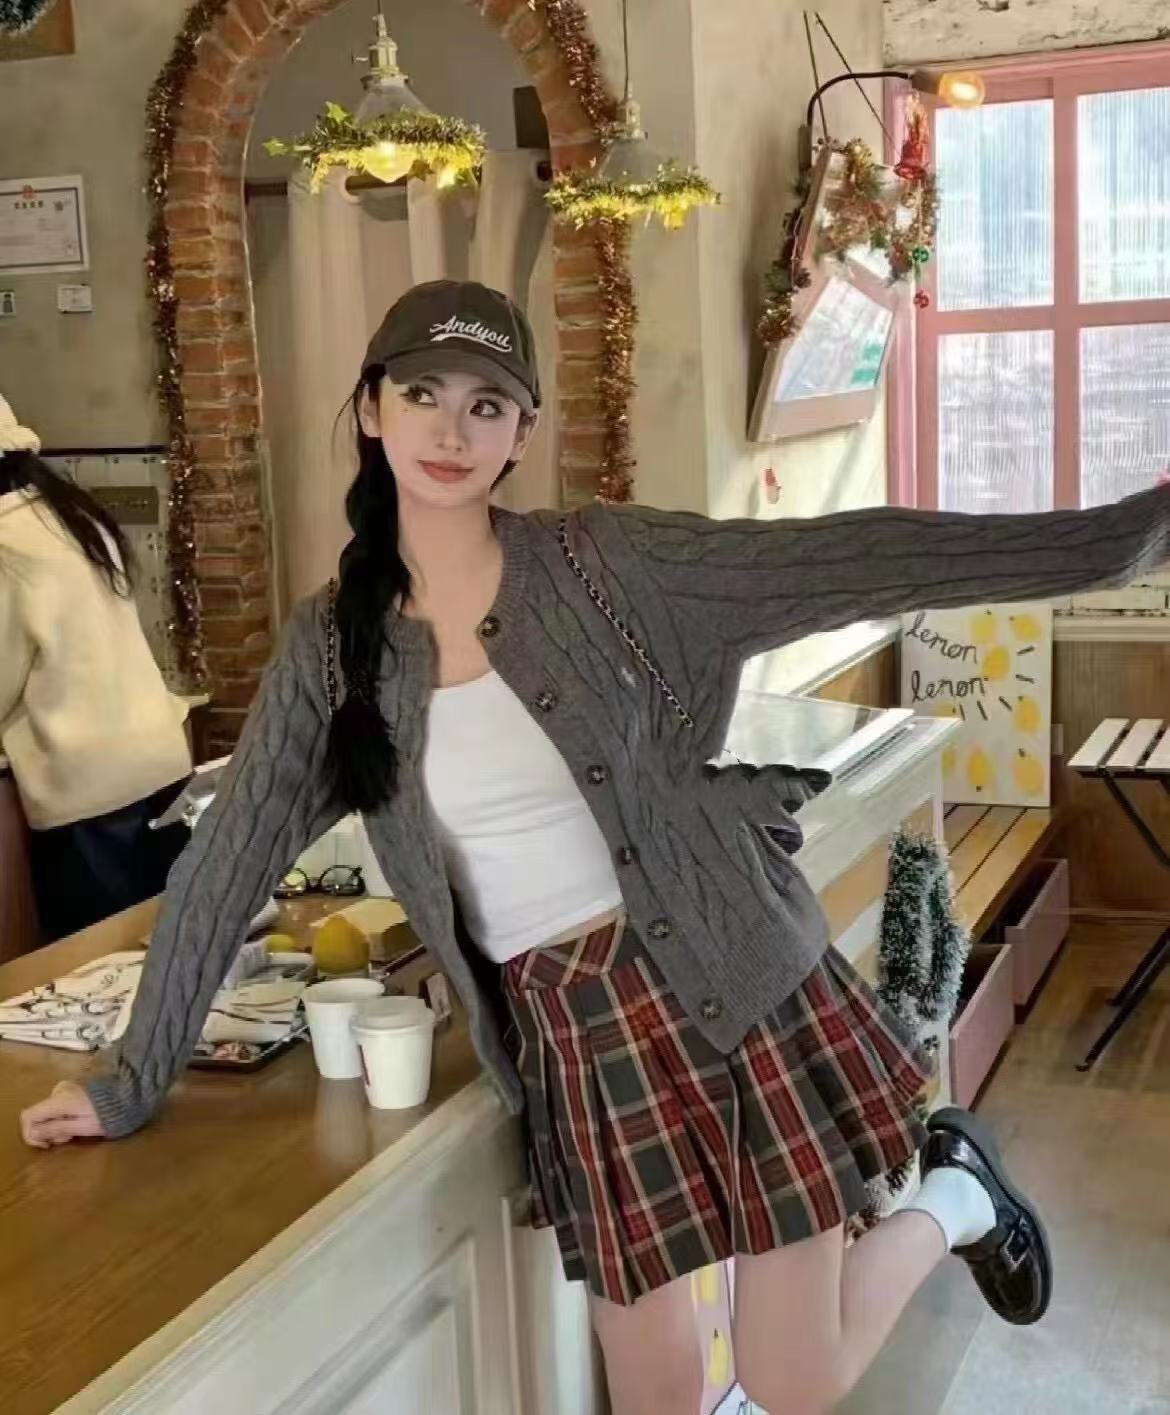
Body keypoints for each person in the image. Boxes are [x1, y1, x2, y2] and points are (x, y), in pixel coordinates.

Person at [19, 281, 1170, 1413]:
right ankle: (949, 1195)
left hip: (733, 976)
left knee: (793, 1375)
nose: (450, 430)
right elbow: (225, 863)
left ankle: (955, 1198)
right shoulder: (332, 651)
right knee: (657, 1394)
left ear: (521, 432)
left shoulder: (607, 562)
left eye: (486, 404)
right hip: (577, 1035)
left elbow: (861, 555)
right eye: (422, 393)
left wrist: (1131, 538)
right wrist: (130, 1078)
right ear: (371, 407)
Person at [0, 395, 192, 943]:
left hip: (87, 790)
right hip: (158, 761)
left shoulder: (6, 544)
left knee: (98, 960)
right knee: (170, 943)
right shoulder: (70, 514)